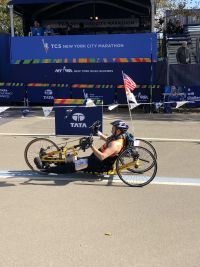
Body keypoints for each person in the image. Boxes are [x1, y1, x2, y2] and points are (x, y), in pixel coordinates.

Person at [34, 120, 129, 174]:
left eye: (114, 127)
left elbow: (102, 157)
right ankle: (47, 160)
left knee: (70, 166)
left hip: (98, 165)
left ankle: (46, 170)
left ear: (118, 131)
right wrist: (97, 132)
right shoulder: (117, 138)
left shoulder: (115, 144)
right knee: (71, 159)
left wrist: (91, 145)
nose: (112, 128)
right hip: (93, 160)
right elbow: (107, 139)